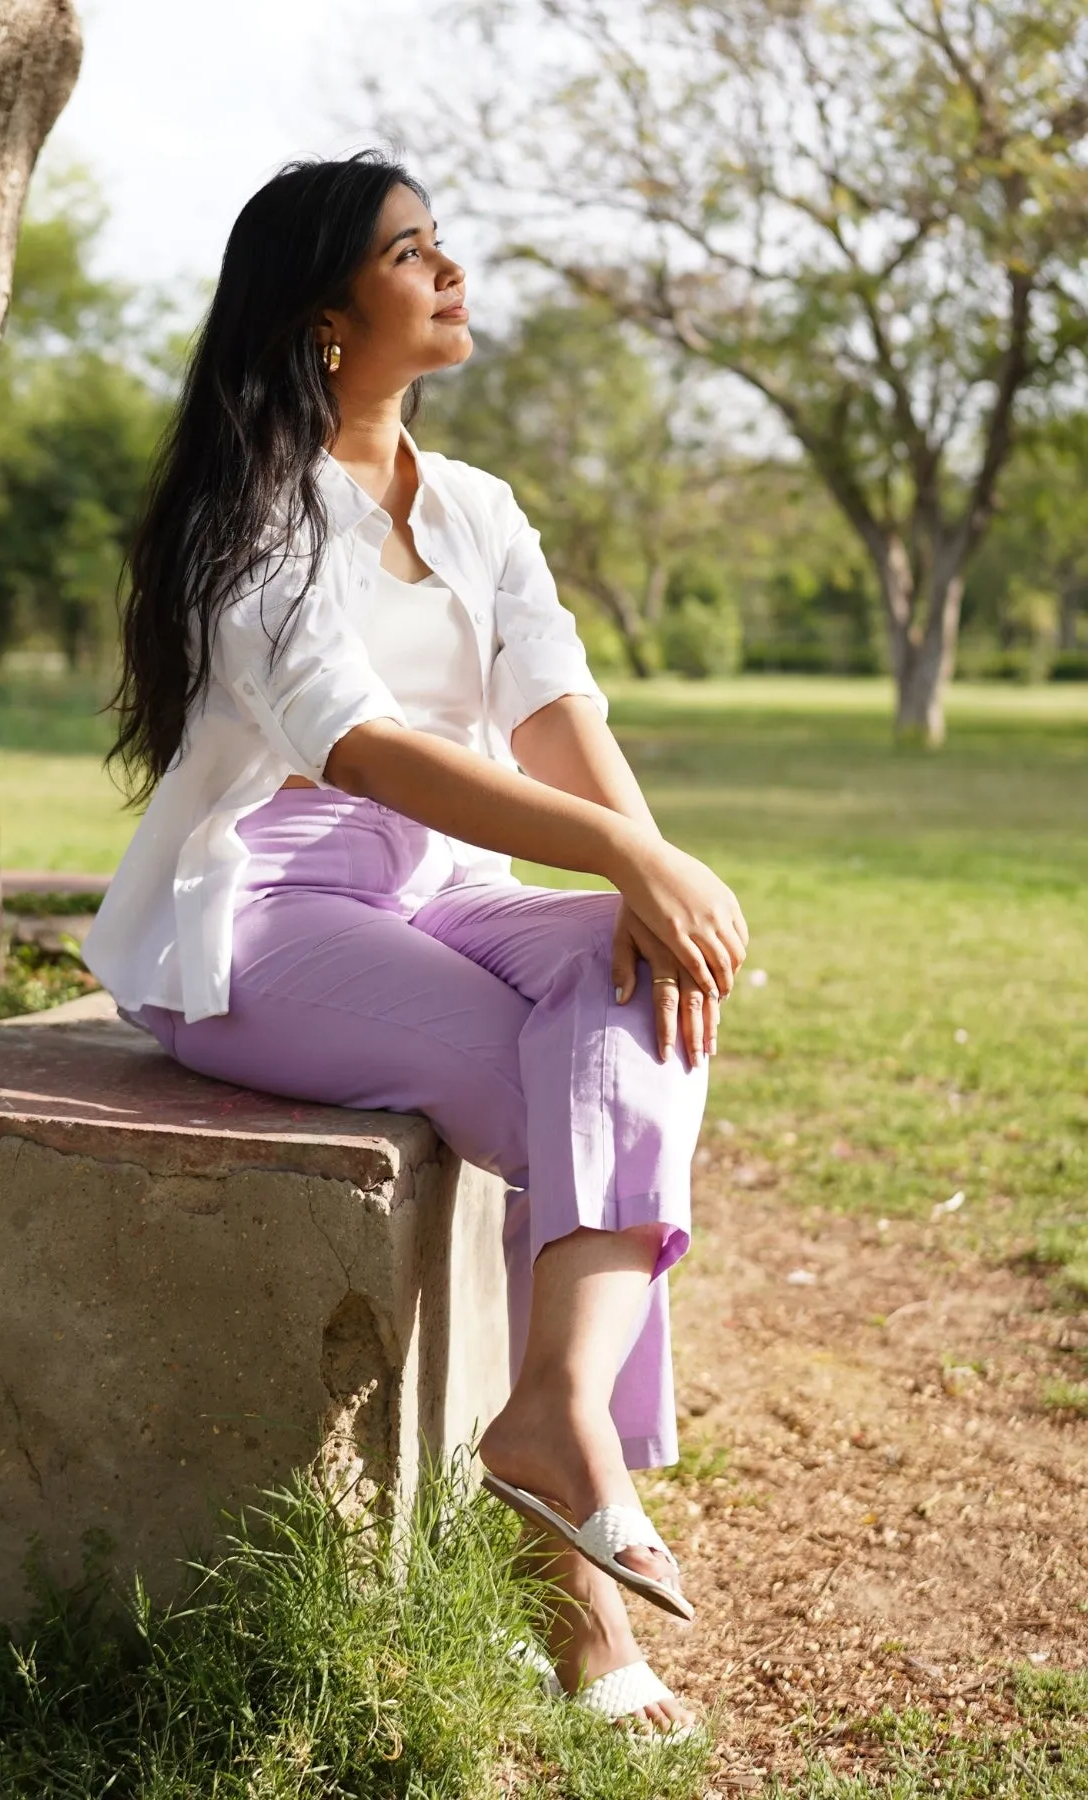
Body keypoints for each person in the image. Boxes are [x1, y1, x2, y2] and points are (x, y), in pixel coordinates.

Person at [83, 149, 748, 1740]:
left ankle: (551, 1418)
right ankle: (571, 1602)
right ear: (325, 318)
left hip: (436, 885)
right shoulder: (248, 516)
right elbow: (361, 747)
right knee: (574, 1109)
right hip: (262, 909)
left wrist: (644, 875)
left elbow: (553, 719)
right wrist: (608, 853)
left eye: (442, 244)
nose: (449, 272)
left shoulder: (476, 509)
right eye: (410, 253)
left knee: (632, 989)